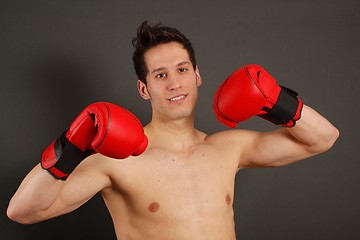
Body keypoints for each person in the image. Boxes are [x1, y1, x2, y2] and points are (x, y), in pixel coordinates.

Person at [7, 21, 339, 240]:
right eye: (161, 75)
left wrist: (276, 100)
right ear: (144, 88)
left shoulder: (228, 148)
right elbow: (22, 211)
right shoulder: (118, 158)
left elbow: (323, 139)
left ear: (197, 75)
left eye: (181, 70)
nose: (175, 83)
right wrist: (72, 144)